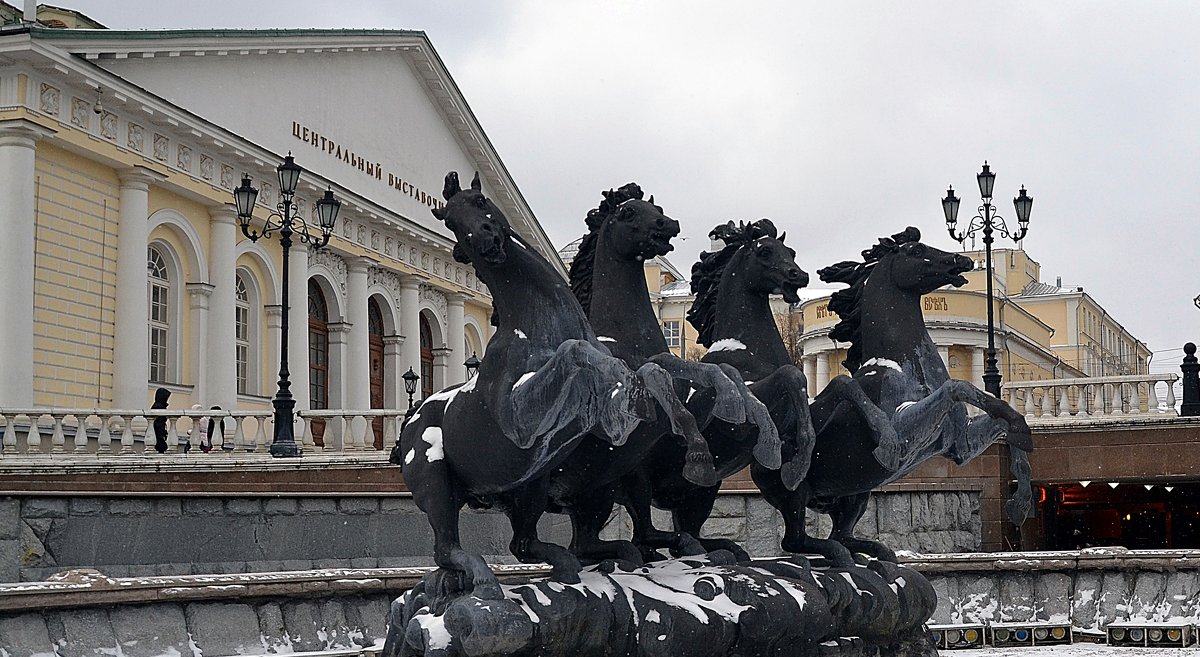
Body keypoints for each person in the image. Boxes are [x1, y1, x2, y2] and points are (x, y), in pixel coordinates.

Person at [150, 387, 171, 453]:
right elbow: (159, 423)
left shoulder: (157, 406)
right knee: (161, 448)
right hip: (158, 433)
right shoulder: (159, 407)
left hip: (158, 433)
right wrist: (162, 434)